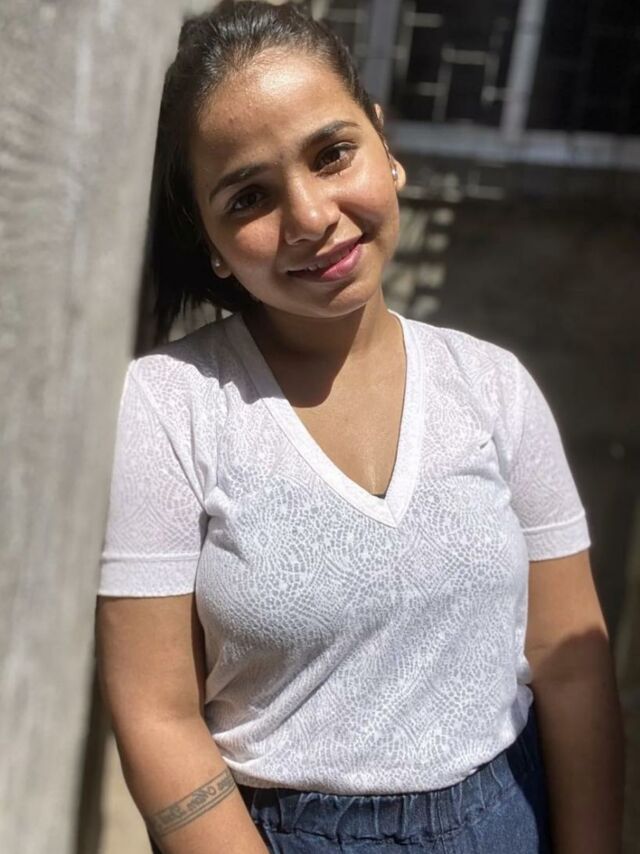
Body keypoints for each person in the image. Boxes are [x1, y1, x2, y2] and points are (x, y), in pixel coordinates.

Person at [94, 2, 624, 853]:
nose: (310, 217)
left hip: (510, 818)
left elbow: (572, 660)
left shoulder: (494, 386)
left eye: (332, 153)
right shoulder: (171, 405)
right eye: (250, 197)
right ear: (212, 241)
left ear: (385, 145)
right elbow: (157, 715)